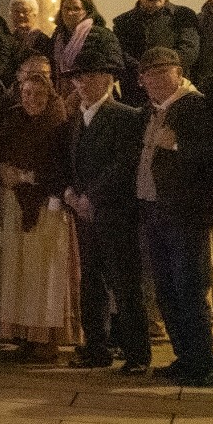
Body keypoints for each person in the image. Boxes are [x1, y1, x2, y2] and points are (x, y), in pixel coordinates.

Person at [134, 45, 213, 387]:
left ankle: (205, 364)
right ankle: (185, 357)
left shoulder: (197, 106)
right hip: (154, 211)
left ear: (179, 72)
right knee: (166, 291)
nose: (156, 80)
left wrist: (177, 145)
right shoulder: (148, 111)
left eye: (164, 72)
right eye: (149, 74)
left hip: (186, 214)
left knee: (190, 289)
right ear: (141, 80)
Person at [63, 37, 150, 374]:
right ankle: (96, 347)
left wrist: (92, 197)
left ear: (107, 79)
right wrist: (71, 194)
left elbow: (125, 164)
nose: (81, 83)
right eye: (77, 78)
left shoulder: (126, 117)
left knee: (125, 284)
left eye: (88, 77)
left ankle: (137, 354)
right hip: (84, 213)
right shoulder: (75, 119)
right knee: (91, 283)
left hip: (115, 213)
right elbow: (70, 164)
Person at [0, 60, 75, 362]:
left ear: (49, 95)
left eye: (39, 95)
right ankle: (25, 334)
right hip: (14, 203)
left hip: (46, 206)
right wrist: (3, 170)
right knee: (20, 272)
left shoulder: (58, 122)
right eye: (26, 94)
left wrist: (25, 177)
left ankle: (46, 338)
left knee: (44, 273)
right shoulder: (13, 120)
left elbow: (62, 167)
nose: (32, 100)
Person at [113, 0, 202, 105]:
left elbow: (189, 50)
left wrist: (164, 73)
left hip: (177, 91)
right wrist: (146, 74)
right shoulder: (122, 23)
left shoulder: (183, 15)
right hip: (137, 94)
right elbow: (121, 54)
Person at [48, 0, 116, 83]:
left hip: (94, 91)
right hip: (63, 92)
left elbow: (114, 66)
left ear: (86, 12)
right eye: (66, 8)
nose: (70, 13)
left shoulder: (102, 34)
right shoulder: (57, 37)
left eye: (76, 9)